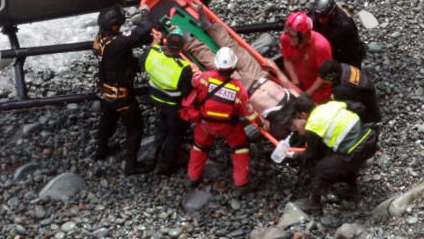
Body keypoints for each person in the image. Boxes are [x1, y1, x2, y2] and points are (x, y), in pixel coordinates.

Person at [180, 47, 263, 193]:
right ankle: (241, 183)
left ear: (217, 64)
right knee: (240, 148)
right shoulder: (239, 89)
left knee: (199, 146)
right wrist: (261, 123)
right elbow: (249, 114)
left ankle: (192, 178)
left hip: (204, 123)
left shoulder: (204, 78)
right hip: (228, 127)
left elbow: (191, 84)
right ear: (233, 67)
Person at [92, 4, 155, 175]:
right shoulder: (118, 43)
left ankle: (101, 149)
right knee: (135, 128)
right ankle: (131, 165)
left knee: (108, 119)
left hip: (107, 91)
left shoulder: (100, 39)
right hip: (122, 95)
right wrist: (145, 12)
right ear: (115, 25)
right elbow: (144, 28)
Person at [288, 95, 378, 213]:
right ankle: (352, 190)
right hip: (370, 139)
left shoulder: (312, 126)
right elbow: (359, 107)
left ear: (303, 114)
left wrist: (292, 155)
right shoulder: (332, 105)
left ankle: (314, 204)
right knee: (340, 157)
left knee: (321, 168)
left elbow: (310, 154)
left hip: (354, 152)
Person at [141, 27, 194, 175]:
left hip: (155, 97)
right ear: (181, 48)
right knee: (175, 133)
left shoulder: (152, 53)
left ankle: (153, 154)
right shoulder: (183, 68)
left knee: (162, 125)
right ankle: (166, 164)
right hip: (172, 104)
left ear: (165, 42)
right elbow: (186, 91)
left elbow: (142, 63)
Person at [281, 10, 333, 104]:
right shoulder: (285, 38)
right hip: (300, 83)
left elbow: (324, 76)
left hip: (318, 91)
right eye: (287, 31)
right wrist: (296, 82)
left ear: (304, 35)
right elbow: (287, 59)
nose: (288, 37)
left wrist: (308, 94)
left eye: (292, 36)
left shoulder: (321, 47)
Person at [318, 59, 380, 125]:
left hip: (366, 108)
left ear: (332, 77)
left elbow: (354, 107)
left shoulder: (340, 89)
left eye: (326, 79)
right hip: (367, 86)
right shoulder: (344, 66)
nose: (325, 82)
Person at [310, 0, 366, 67]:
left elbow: (352, 50)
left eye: (323, 17)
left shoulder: (346, 26)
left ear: (332, 14)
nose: (320, 20)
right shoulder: (317, 12)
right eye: (319, 17)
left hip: (343, 50)